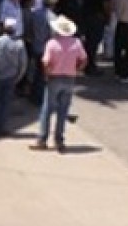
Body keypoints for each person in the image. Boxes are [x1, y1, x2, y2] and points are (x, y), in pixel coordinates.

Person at [30, 15, 86, 153]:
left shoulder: (52, 43)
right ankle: (59, 140)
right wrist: (77, 70)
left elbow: (45, 62)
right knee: (63, 110)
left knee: (47, 109)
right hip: (70, 78)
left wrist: (47, 74)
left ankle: (42, 139)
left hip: (55, 77)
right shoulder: (76, 43)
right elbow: (84, 59)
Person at [81, 0, 110, 76]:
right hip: (97, 17)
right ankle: (90, 66)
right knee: (93, 43)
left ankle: (84, 63)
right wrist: (108, 17)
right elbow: (106, 4)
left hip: (85, 15)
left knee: (87, 41)